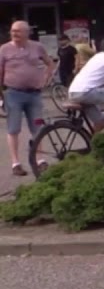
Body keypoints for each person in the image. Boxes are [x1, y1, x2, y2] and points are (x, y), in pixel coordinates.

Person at [0, 21, 55, 175]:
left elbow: (49, 63)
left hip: (34, 94)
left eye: (17, 31)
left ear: (27, 32)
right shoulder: (4, 49)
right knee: (13, 128)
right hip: (13, 94)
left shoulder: (37, 46)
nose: (14, 33)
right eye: (12, 31)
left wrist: (47, 77)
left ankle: (40, 159)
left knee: (37, 127)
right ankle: (15, 163)